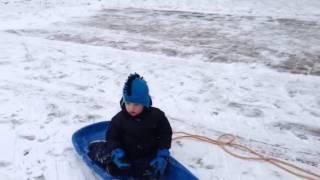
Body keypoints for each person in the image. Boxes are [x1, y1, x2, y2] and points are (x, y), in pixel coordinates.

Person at [90, 73, 172, 179]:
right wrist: (116, 150)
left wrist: (162, 153)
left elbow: (165, 134)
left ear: (145, 102)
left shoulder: (157, 116)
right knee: (108, 156)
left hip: (146, 154)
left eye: (136, 104)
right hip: (124, 153)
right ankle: (97, 149)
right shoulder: (119, 119)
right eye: (128, 103)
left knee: (149, 173)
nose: (131, 108)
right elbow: (111, 137)